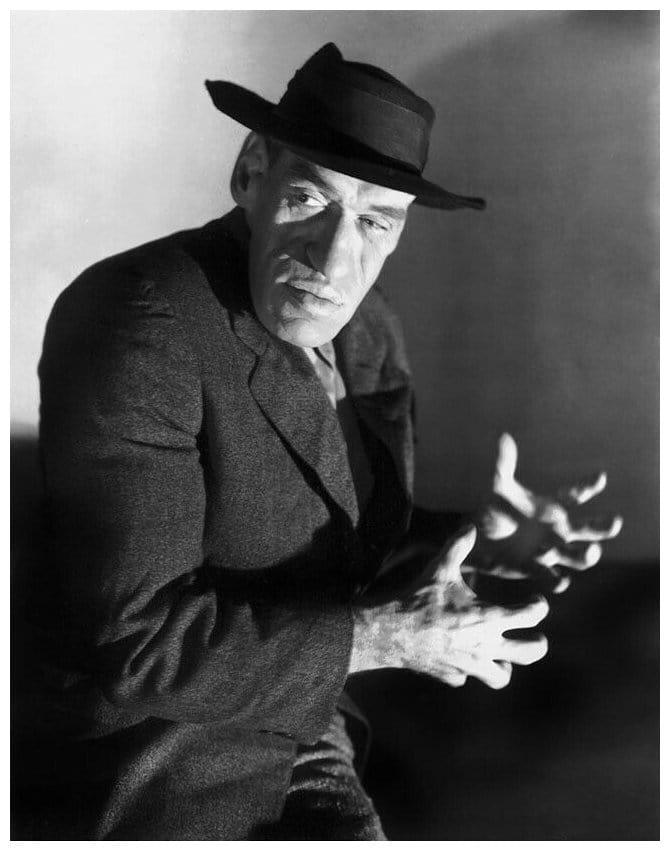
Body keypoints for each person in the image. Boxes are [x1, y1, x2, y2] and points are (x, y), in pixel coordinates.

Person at [24, 43, 622, 840]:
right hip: (157, 768)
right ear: (251, 172)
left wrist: (482, 544)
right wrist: (383, 639)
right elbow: (135, 643)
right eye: (310, 199)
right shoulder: (137, 320)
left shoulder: (368, 331)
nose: (335, 260)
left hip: (307, 739)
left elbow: (326, 546)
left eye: (375, 221)